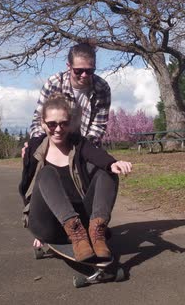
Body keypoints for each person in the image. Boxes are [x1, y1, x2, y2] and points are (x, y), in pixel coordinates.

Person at [19, 93, 131, 261]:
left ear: (70, 123)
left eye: (63, 123)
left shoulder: (78, 144)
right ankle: (74, 229)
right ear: (43, 123)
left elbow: (96, 154)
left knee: (107, 171)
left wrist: (112, 163)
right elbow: (27, 188)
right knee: (46, 173)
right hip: (48, 224)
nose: (58, 129)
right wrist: (39, 230)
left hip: (82, 224)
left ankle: (97, 232)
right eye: (52, 124)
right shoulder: (34, 148)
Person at [28, 42, 111, 147]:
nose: (84, 75)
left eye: (89, 71)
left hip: (86, 144)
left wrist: (83, 151)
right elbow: (39, 120)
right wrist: (35, 145)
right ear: (69, 66)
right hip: (53, 144)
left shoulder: (102, 88)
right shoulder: (53, 84)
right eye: (78, 71)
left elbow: (98, 127)